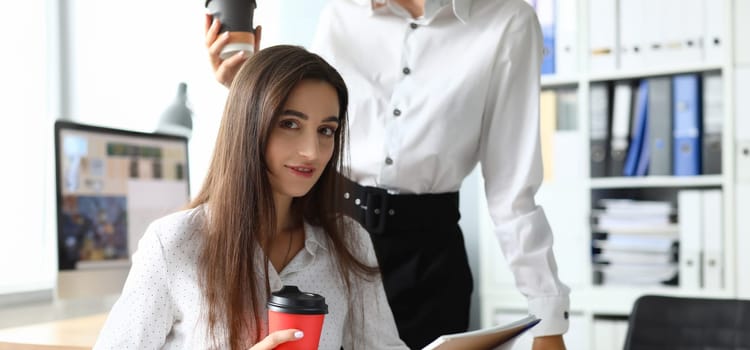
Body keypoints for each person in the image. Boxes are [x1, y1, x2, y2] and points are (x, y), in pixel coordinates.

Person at [206, 1, 571, 349]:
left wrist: (548, 319)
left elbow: (513, 191)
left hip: (429, 260)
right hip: (332, 236)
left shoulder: (509, 21)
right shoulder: (340, 16)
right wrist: (246, 89)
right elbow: (303, 127)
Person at [94, 45, 409, 350]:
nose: (312, 152)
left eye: (326, 130)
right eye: (290, 124)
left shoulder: (348, 241)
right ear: (248, 126)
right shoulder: (175, 243)